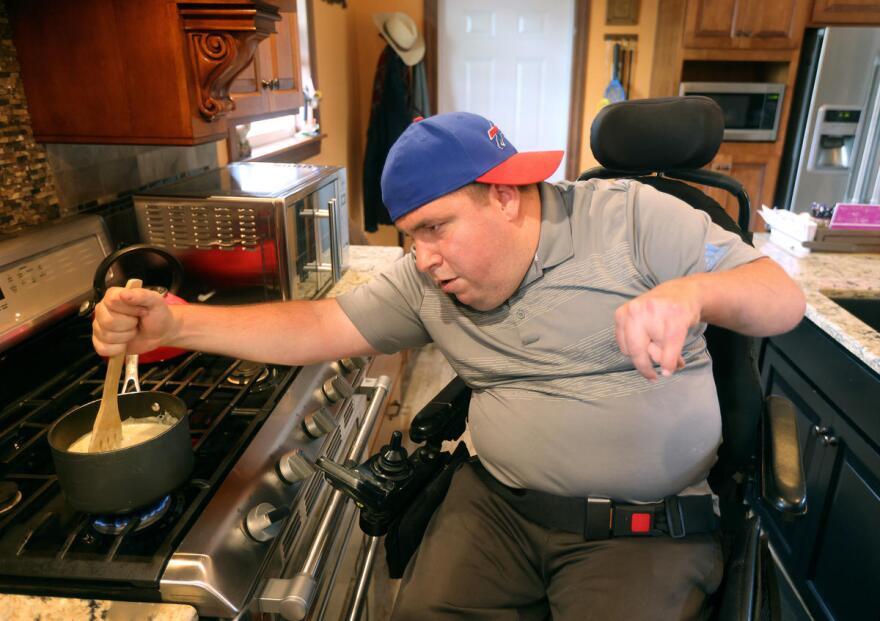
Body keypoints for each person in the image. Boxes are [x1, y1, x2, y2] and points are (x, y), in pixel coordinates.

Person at [93, 111, 806, 620]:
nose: (423, 258)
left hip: (639, 529)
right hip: (495, 508)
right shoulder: (425, 277)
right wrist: (179, 320)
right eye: (410, 237)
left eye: (436, 227)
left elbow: (781, 297)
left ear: (503, 192)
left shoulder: (630, 219)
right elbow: (322, 323)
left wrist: (690, 292)